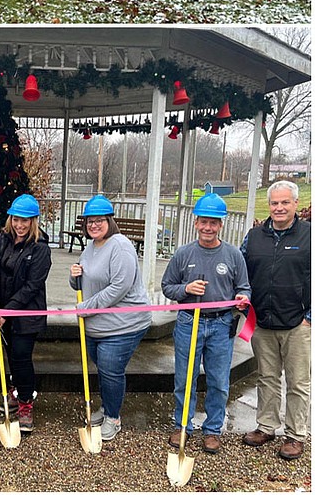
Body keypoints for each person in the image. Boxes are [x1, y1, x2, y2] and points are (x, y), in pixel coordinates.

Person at [161, 194, 250, 454]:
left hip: (221, 324)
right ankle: (183, 426)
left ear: (221, 224)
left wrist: (243, 299)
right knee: (184, 378)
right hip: (189, 322)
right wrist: (186, 288)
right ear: (196, 222)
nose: (208, 228)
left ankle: (212, 430)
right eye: (203, 222)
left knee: (219, 381)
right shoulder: (184, 253)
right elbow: (167, 287)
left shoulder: (233, 255)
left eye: (213, 223)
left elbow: (244, 287)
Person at [68, 194, 151, 441]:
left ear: (110, 221)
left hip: (125, 324)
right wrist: (74, 276)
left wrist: (87, 307)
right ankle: (106, 408)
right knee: (104, 369)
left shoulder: (120, 246)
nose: (94, 225)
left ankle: (113, 417)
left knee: (110, 368)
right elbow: (81, 283)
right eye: (89, 221)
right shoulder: (91, 247)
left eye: (99, 220)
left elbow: (119, 287)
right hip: (97, 325)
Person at [240, 180, 310, 461]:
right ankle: (267, 426)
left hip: (297, 323)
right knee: (266, 377)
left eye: (285, 202)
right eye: (274, 203)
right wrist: (244, 309)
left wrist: (309, 317)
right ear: (268, 205)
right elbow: (240, 272)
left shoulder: (309, 236)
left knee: (298, 382)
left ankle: (295, 434)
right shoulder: (253, 237)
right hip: (261, 322)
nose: (279, 208)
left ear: (295, 204)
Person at [0, 194, 52, 433]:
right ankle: (17, 392)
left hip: (27, 313)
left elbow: (31, 287)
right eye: (16, 219)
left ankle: (26, 403)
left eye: (25, 221)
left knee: (21, 357)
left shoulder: (41, 249)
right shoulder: (6, 238)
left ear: (34, 221)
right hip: (4, 309)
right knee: (11, 354)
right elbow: (0, 258)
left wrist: (7, 311)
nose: (20, 225)